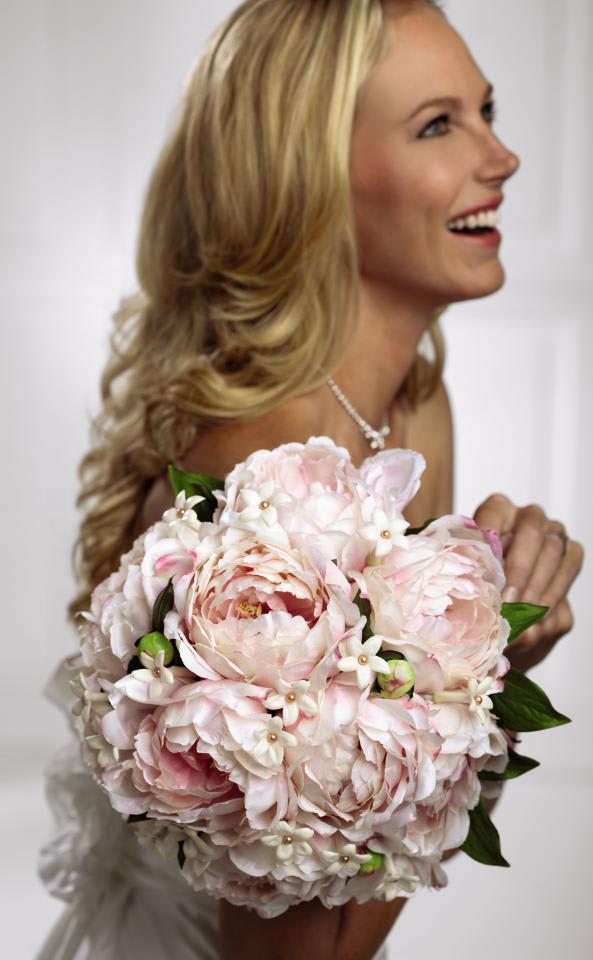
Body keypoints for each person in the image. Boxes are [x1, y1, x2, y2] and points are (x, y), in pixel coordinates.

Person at [36, 2, 584, 959]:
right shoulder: (263, 490)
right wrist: (489, 685)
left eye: (485, 112)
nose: (500, 158)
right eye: (437, 125)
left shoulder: (409, 398)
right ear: (311, 179)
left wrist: (466, 652)